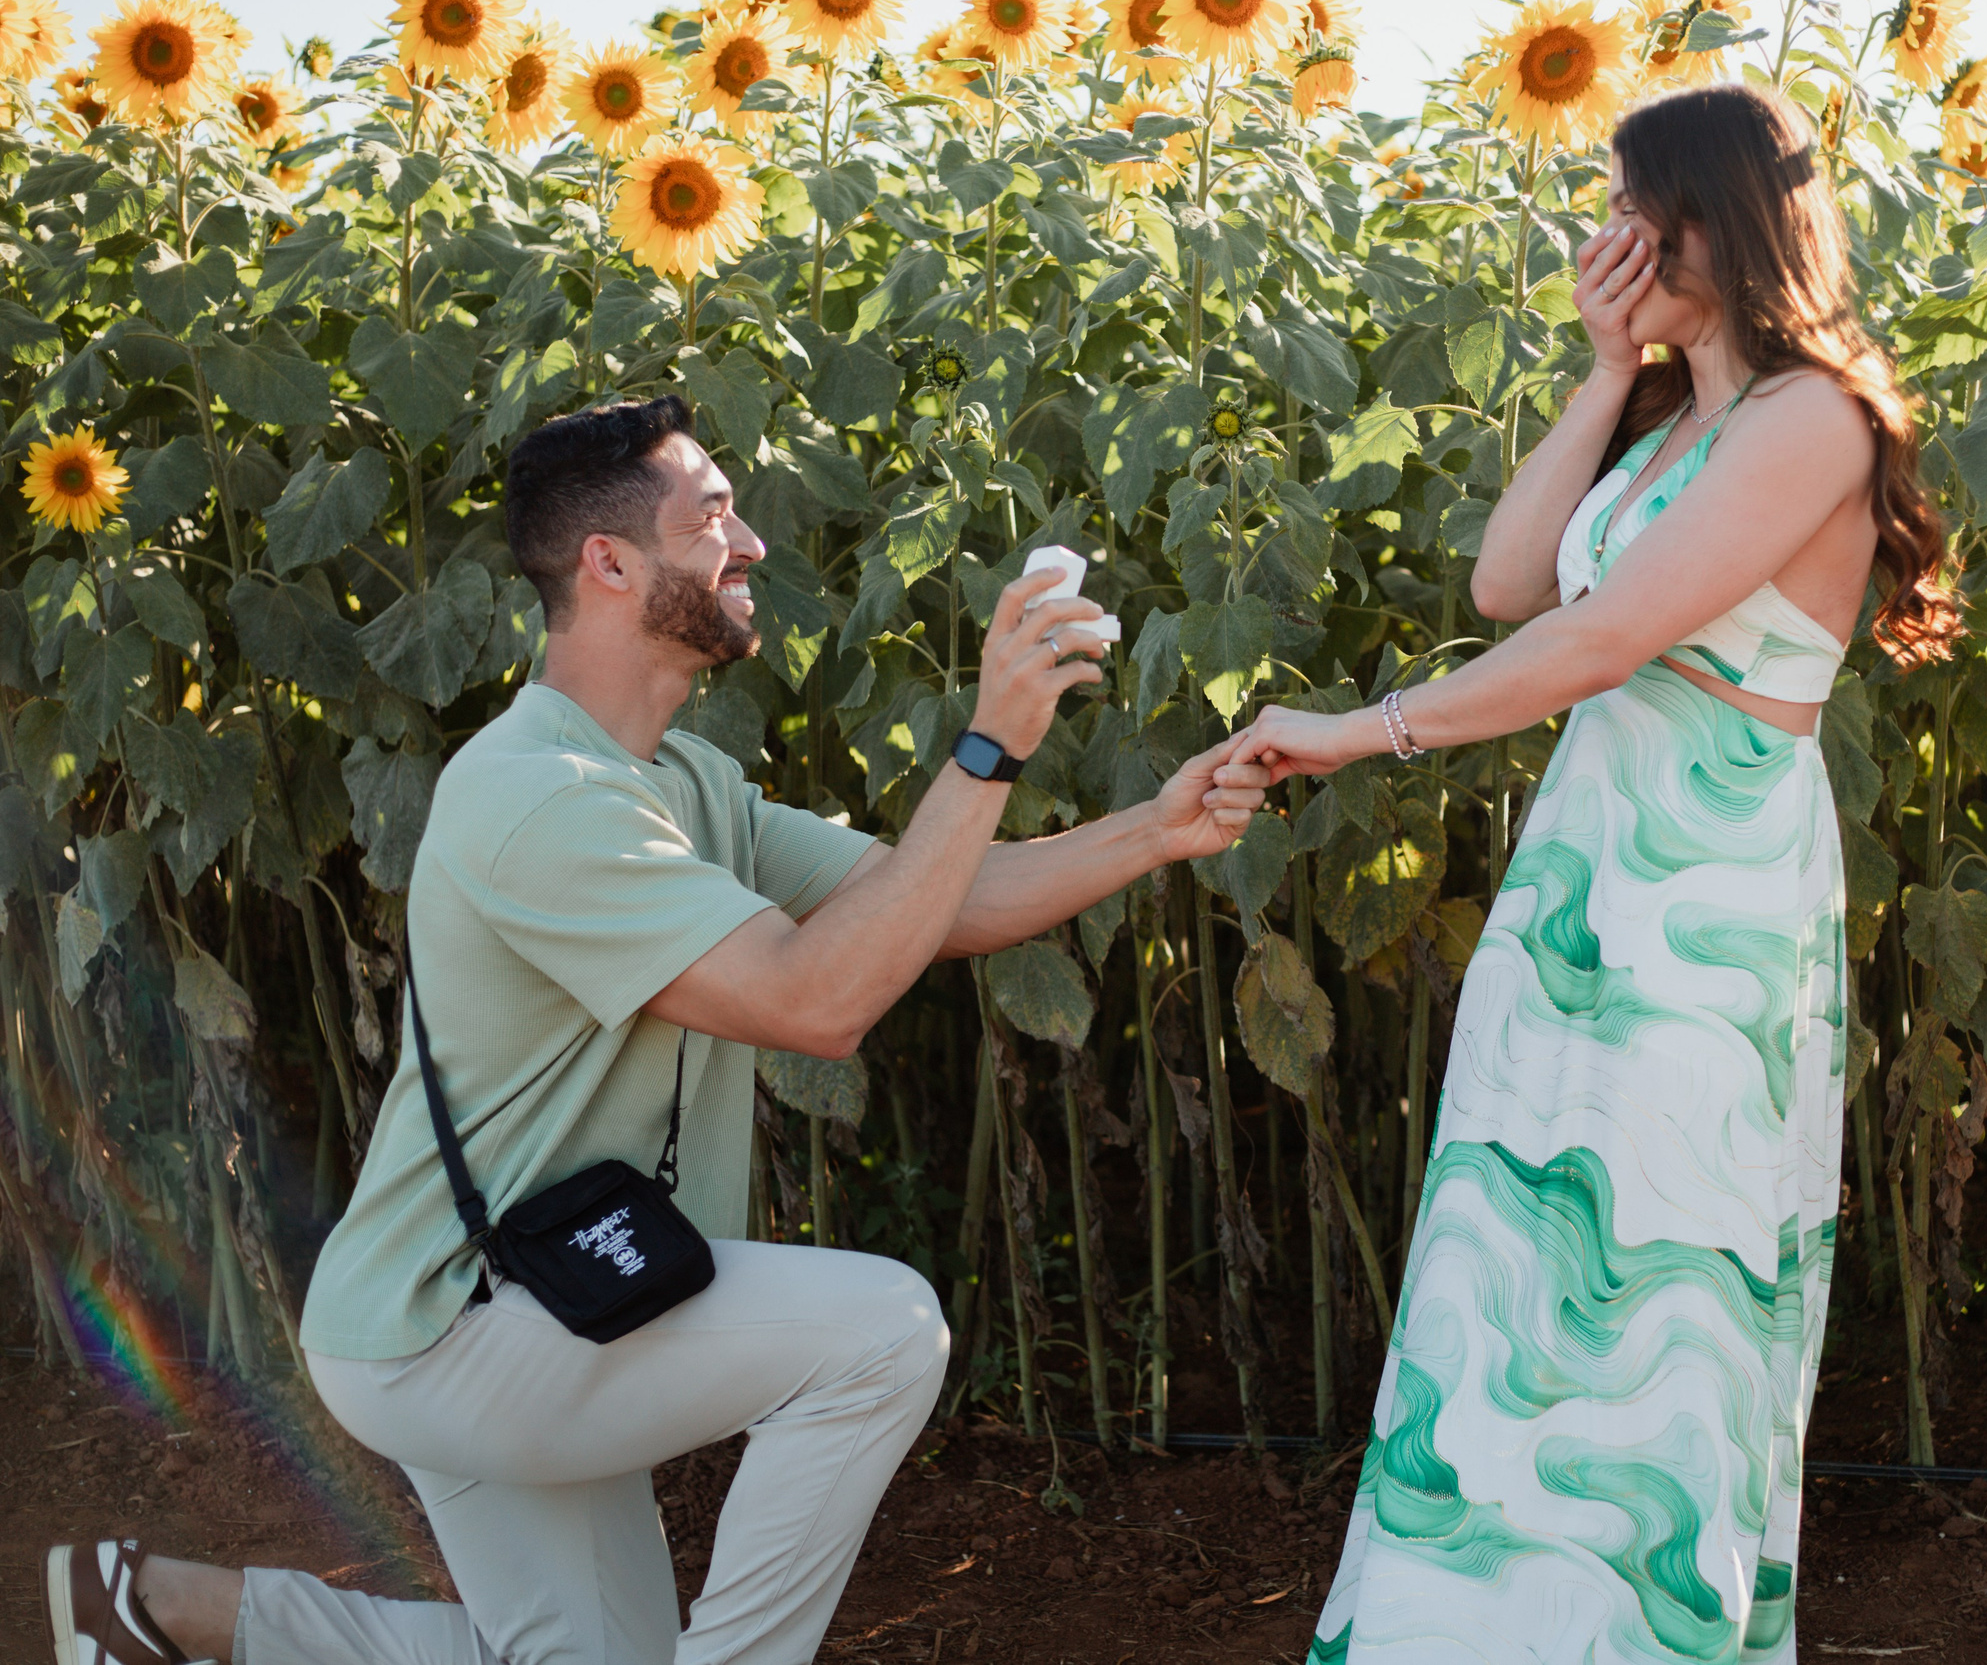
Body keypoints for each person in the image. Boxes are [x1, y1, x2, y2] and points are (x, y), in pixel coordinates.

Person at [46, 394, 1271, 1665]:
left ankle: (164, 1612)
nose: (747, 550)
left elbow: (932, 897)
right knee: (883, 1333)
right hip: (461, 1324)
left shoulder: (685, 783)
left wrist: (1157, 830)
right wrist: (986, 745)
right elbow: (818, 1003)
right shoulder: (539, 798)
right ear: (611, 562)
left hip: (548, 1293)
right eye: (715, 520)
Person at [1240, 86, 1961, 1665]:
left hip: (1703, 895)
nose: (1623, 238)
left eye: (1652, 210)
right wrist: (1607, 367)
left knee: (1655, 1285)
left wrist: (1359, 735)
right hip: (1589, 877)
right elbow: (1512, 580)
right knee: (1519, 1266)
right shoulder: (1682, 420)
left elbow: (1601, 640)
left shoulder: (1814, 419)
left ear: (1733, 219)